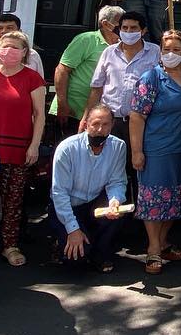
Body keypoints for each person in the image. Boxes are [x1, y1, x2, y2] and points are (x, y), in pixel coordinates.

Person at [0, 30, 46, 267]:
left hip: (18, 149)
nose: (9, 51)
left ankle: (10, 245)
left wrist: (34, 145)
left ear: (25, 52)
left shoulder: (32, 78)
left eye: (15, 47)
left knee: (13, 200)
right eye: (5, 46)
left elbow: (39, 115)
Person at [129, 30, 181, 274]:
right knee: (153, 200)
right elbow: (136, 117)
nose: (171, 54)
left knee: (175, 200)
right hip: (155, 149)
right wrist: (137, 151)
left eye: (176, 50)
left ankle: (164, 241)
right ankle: (153, 248)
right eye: (166, 50)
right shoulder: (151, 78)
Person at [49, 104, 129, 272]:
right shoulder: (66, 148)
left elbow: (117, 181)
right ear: (86, 124)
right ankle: (64, 243)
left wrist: (115, 200)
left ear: (112, 125)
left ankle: (100, 254)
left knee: (117, 212)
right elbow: (59, 193)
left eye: (106, 124)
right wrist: (73, 229)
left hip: (93, 202)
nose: (100, 129)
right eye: (96, 124)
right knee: (75, 261)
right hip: (67, 206)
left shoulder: (118, 146)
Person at [84, 11, 162, 160]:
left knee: (137, 164)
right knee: (108, 164)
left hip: (142, 123)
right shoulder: (109, 52)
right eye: (124, 28)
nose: (128, 32)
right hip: (111, 122)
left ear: (143, 31)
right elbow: (96, 87)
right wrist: (86, 118)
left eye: (133, 28)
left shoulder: (155, 52)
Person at [53, 5, 123, 130]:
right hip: (71, 111)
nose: (123, 28)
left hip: (96, 116)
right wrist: (62, 104)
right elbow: (62, 70)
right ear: (106, 24)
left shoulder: (121, 47)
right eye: (120, 23)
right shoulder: (86, 40)